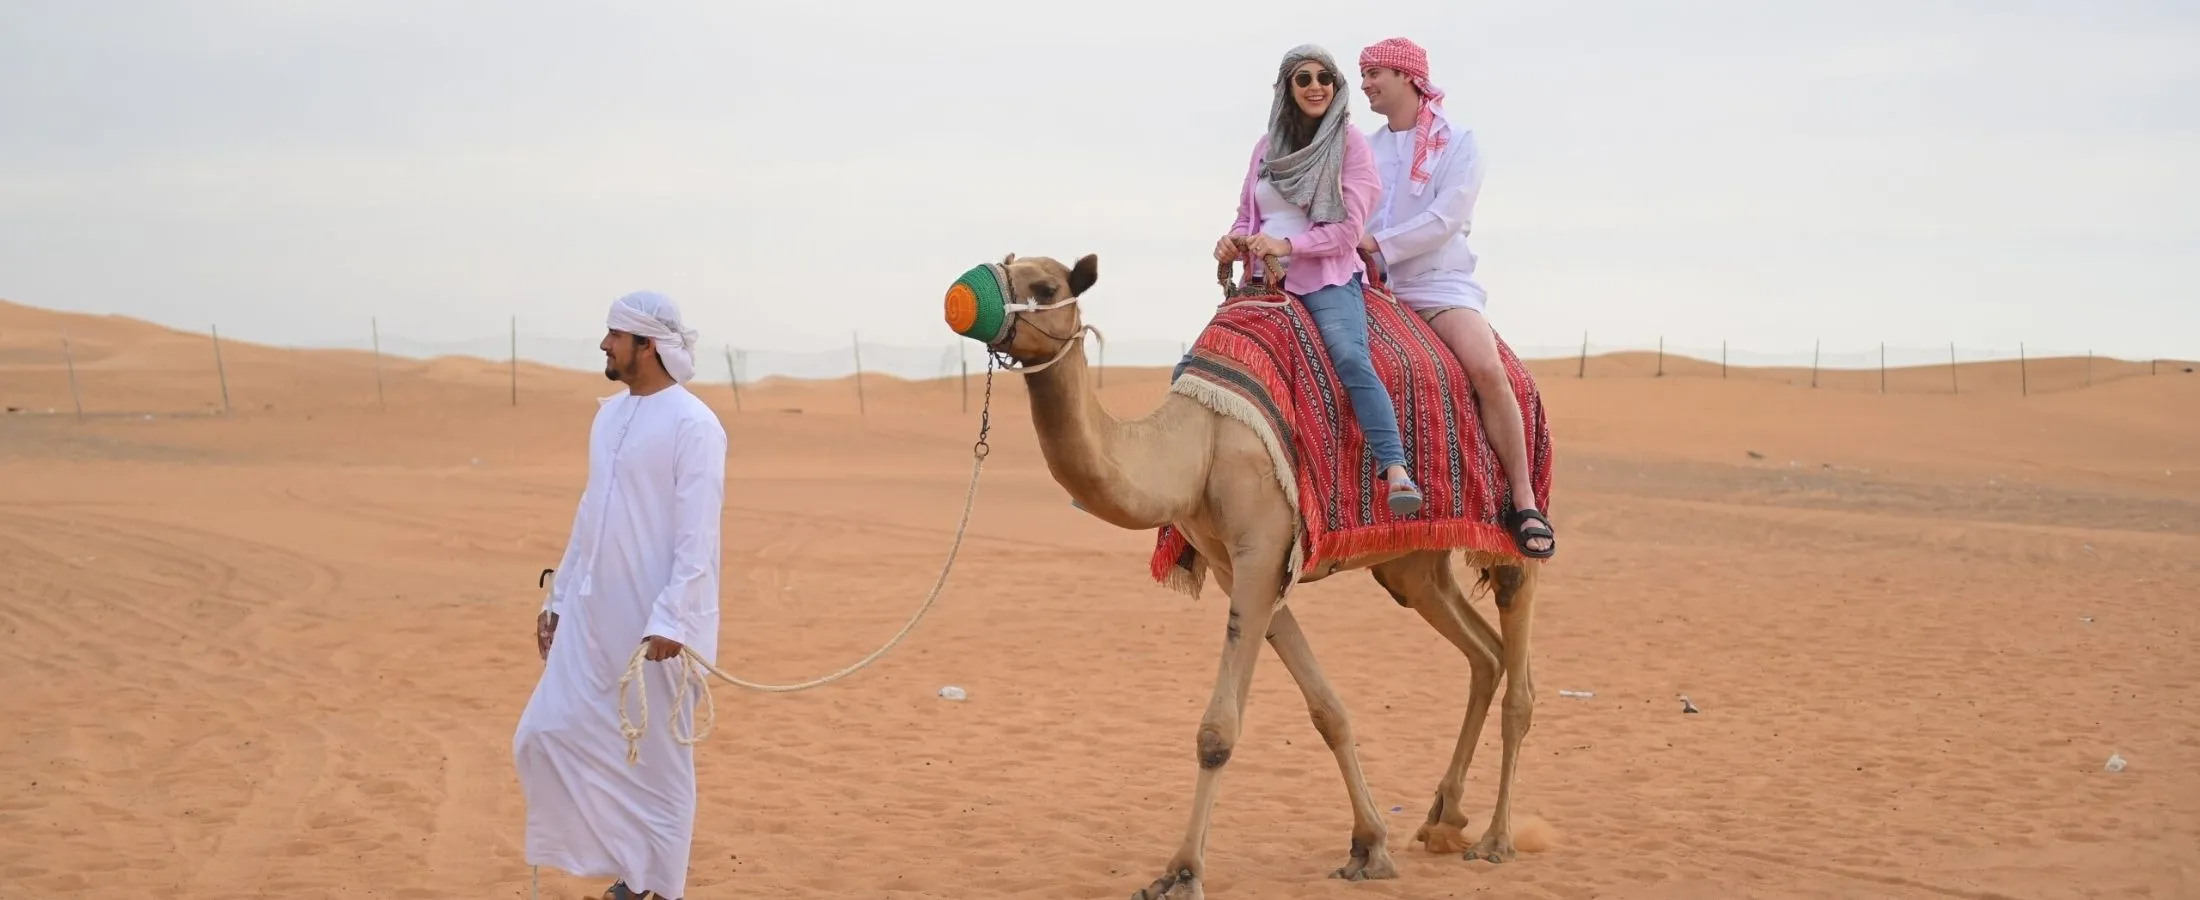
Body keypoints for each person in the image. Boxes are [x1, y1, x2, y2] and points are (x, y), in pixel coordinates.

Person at [514, 289, 728, 900]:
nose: (604, 344)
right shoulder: (608, 415)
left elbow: (698, 537)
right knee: (544, 734)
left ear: (647, 346)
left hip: (656, 628)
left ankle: (659, 887)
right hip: (590, 613)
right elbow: (592, 514)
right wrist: (556, 598)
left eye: (615, 335)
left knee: (660, 765)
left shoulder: (694, 425)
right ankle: (632, 864)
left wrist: (674, 619)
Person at [1356, 36, 1554, 558]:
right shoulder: (1365, 147)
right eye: (1363, 74)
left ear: (1407, 77)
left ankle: (1524, 499)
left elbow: (1447, 219)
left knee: (1488, 371)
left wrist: (1377, 244)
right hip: (1370, 283)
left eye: (1375, 73)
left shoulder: (1461, 143)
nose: (1365, 84)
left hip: (1437, 285)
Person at [1211, 43, 1424, 516]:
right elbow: (1248, 216)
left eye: (1324, 78)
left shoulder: (1351, 145)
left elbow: (1349, 231)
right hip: (1263, 283)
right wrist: (1233, 242)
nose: (1315, 86)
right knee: (1199, 364)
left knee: (1350, 356)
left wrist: (1288, 246)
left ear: (1336, 86)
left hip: (1326, 279)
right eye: (1303, 78)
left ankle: (1395, 468)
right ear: (1286, 87)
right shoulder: (1265, 149)